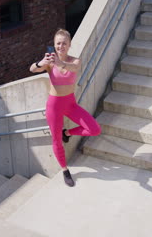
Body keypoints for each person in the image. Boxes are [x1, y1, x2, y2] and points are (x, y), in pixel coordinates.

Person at [29, 28, 101, 187]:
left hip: (70, 104)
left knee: (95, 129)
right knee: (56, 140)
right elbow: (32, 69)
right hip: (54, 106)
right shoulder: (49, 63)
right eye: (58, 43)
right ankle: (64, 170)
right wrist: (42, 63)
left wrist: (60, 63)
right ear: (54, 45)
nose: (61, 46)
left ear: (69, 45)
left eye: (64, 43)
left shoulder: (75, 61)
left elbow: (73, 68)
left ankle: (67, 132)